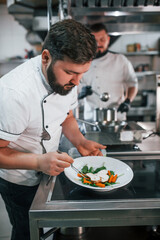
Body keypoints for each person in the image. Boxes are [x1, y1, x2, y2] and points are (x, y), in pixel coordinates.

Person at [0, 19, 106, 240]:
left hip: (49, 173)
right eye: (70, 73)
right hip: (18, 179)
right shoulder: (14, 93)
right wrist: (38, 162)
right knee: (26, 231)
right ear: (46, 57)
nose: (77, 82)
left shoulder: (69, 79)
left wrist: (80, 141)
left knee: (48, 231)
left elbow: (66, 116)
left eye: (82, 73)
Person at [78, 23, 138, 121]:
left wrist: (128, 101)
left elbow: (132, 83)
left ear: (108, 39)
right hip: (91, 118)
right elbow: (73, 90)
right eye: (94, 41)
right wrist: (80, 94)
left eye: (102, 40)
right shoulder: (81, 63)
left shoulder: (120, 60)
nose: (98, 44)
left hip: (116, 116)